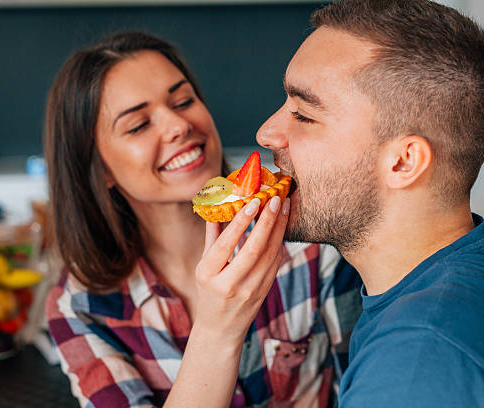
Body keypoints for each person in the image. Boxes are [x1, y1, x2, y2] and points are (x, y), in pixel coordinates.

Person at [236, 0, 484, 406]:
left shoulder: (417, 363)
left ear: (403, 162)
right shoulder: (473, 265)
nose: (266, 133)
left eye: (304, 114)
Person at [44, 32, 362, 407]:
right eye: (138, 125)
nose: (178, 125)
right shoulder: (80, 305)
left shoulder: (310, 241)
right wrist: (216, 330)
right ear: (100, 172)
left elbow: (363, 390)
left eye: (183, 100)